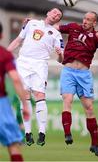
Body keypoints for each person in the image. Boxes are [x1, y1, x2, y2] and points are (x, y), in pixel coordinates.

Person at [7, 8, 64, 146]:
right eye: (55, 12)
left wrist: (59, 54)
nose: (56, 15)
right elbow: (18, 41)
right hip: (24, 62)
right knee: (24, 96)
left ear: (58, 20)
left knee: (39, 95)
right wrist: (5, 54)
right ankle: (27, 133)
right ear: (48, 13)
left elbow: (61, 60)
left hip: (40, 65)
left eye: (59, 15)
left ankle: (42, 133)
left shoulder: (57, 35)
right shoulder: (31, 24)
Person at [58, 11, 98, 157]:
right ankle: (67, 133)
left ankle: (95, 144)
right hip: (68, 72)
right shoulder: (73, 27)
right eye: (85, 18)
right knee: (67, 101)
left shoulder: (96, 36)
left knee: (89, 108)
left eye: (89, 20)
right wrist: (36, 23)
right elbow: (55, 28)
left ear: (94, 23)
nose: (85, 21)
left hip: (84, 75)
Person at [0, 22, 29, 161]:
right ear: (1, 35)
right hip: (1, 103)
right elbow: (16, 80)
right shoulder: (4, 54)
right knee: (13, 144)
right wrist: (26, 105)